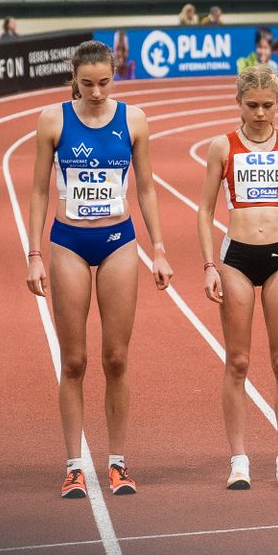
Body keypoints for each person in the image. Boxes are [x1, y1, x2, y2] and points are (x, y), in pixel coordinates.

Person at [25, 42, 172, 498]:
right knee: (74, 361)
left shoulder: (134, 119)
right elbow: (36, 192)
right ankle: (73, 465)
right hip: (68, 242)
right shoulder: (53, 120)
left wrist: (160, 249)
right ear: (73, 76)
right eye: (87, 83)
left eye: (104, 83)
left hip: (119, 242)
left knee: (116, 358)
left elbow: (145, 188)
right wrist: (33, 254)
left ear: (115, 77)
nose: (95, 91)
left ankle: (118, 463)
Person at [196, 66, 278, 490]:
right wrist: (209, 265)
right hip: (237, 258)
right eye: (252, 106)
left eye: (268, 106)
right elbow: (204, 210)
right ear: (239, 103)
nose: (260, 114)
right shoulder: (222, 147)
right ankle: (239, 460)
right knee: (238, 361)